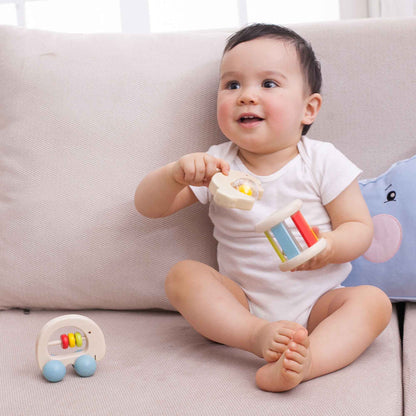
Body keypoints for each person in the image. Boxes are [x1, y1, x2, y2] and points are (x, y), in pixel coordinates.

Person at [134, 23, 392, 392]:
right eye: (232, 84)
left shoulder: (321, 160)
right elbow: (148, 207)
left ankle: (306, 362)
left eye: (268, 84)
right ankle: (256, 337)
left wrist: (329, 246)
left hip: (319, 305)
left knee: (373, 302)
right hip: (242, 305)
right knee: (182, 277)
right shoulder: (217, 165)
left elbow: (359, 227)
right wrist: (175, 174)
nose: (246, 96)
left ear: (309, 108)